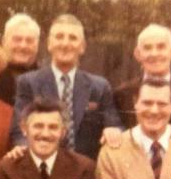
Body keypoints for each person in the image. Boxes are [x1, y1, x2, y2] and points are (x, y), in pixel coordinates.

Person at [10, 14, 122, 160]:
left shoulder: (99, 87)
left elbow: (115, 125)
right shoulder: (29, 83)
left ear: (82, 47)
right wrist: (22, 147)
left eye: (73, 38)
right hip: (42, 166)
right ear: (49, 44)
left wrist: (113, 130)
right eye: (59, 37)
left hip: (86, 169)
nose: (65, 43)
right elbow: (19, 128)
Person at [113, 24, 171, 129]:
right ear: (137, 54)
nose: (154, 53)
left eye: (161, 47)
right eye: (147, 48)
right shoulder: (121, 95)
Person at [0, 13, 41, 106]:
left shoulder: (47, 81)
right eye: (17, 40)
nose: (23, 46)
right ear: (3, 41)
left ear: (37, 45)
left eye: (29, 41)